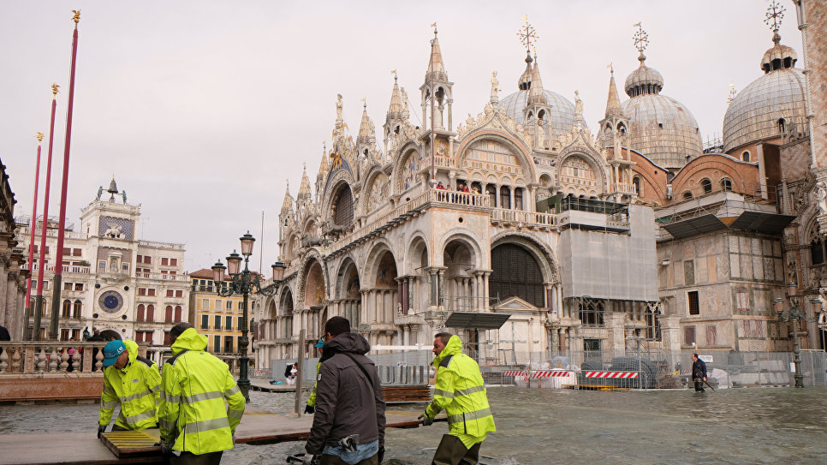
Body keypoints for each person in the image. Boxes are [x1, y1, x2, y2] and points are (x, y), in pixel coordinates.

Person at [158, 323, 245, 465]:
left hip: (192, 442)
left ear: (175, 339)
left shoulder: (174, 364)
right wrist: (229, 430)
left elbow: (168, 408)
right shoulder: (217, 362)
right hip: (218, 440)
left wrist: (166, 439)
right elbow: (239, 401)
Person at [304, 316, 385, 465]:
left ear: (329, 335)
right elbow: (379, 407)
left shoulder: (329, 366)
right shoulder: (369, 364)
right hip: (371, 444)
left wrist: (311, 449)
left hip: (340, 447)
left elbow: (325, 413)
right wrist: (380, 443)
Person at [421, 333, 495, 465]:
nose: (433, 350)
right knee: (466, 462)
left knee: (441, 463)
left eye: (436, 346)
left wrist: (429, 414)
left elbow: (442, 400)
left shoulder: (447, 365)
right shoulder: (469, 361)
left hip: (465, 428)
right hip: (482, 424)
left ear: (446, 346)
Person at [98, 340, 161, 438]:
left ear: (125, 353)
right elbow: (108, 397)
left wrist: (160, 421)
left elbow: (160, 394)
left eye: (115, 360)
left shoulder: (145, 367)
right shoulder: (109, 370)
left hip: (148, 422)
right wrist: (103, 422)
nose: (114, 364)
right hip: (124, 422)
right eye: (111, 361)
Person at [305, 338, 326, 414]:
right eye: (319, 348)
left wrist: (310, 403)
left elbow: (319, 384)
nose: (320, 350)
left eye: (321, 348)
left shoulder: (323, 362)